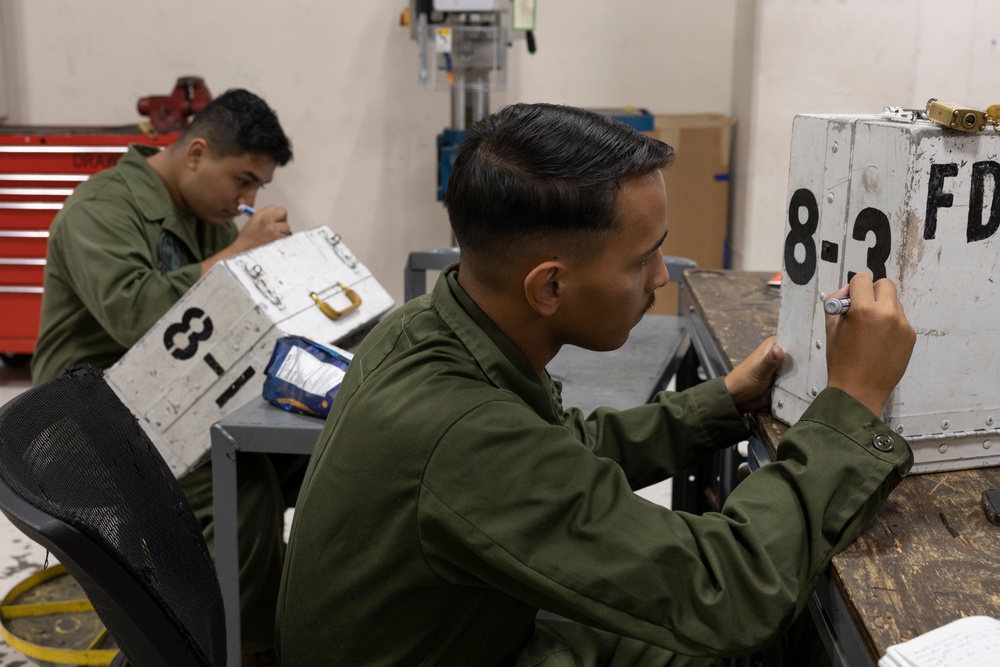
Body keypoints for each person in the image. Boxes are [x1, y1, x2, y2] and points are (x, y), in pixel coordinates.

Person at [275, 103, 916, 666]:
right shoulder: (462, 435)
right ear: (549, 286)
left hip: (465, 640)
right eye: (643, 258)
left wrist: (719, 403)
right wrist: (851, 405)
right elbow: (728, 589)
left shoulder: (426, 324)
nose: (661, 277)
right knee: (752, 631)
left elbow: (557, 452)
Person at [32, 88, 296, 666]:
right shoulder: (102, 208)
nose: (247, 200)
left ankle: (275, 609)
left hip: (164, 400)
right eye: (243, 180)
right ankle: (236, 651)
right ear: (197, 153)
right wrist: (235, 257)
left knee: (306, 457)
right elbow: (133, 312)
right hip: (86, 421)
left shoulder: (203, 215)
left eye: (257, 188)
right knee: (241, 486)